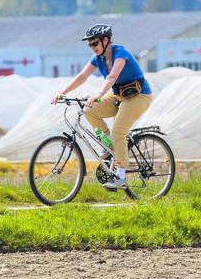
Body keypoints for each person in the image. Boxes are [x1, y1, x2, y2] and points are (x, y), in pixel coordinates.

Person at [52, 23, 153, 190]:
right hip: (119, 95)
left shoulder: (121, 53)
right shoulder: (97, 58)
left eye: (95, 43)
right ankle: (111, 144)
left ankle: (121, 177)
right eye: (90, 44)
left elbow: (112, 77)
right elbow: (82, 76)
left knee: (119, 130)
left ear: (106, 40)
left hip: (139, 96)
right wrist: (62, 92)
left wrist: (98, 95)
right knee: (89, 111)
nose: (92, 47)